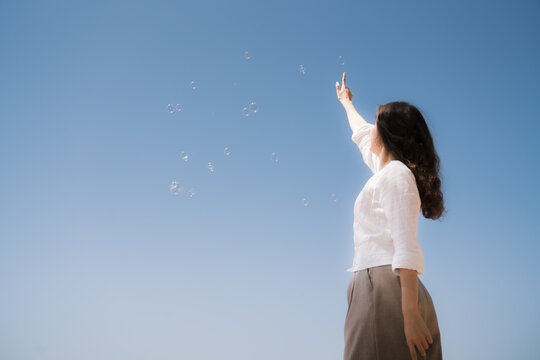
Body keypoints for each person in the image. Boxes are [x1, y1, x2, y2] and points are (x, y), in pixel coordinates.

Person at [336, 72, 445, 360]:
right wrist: (346, 102)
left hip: (385, 288)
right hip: (390, 286)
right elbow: (361, 134)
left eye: (376, 122)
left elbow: (406, 245)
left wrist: (408, 313)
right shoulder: (388, 171)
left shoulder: (396, 175)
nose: (369, 127)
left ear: (386, 135)